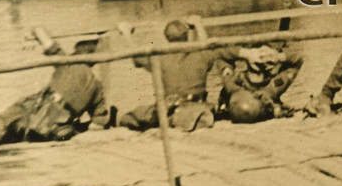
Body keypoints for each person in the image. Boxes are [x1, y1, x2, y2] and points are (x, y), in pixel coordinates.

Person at [120, 20, 284, 132]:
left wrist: (126, 32)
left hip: (169, 109)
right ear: (187, 35)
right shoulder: (201, 54)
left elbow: (135, 56)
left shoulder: (159, 58)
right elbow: (217, 48)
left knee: (129, 118)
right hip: (197, 107)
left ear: (166, 37)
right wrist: (198, 25)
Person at [0, 39, 111, 151]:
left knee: (4, 119)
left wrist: (35, 30)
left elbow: (44, 37)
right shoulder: (97, 87)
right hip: (54, 127)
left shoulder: (67, 63)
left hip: (35, 111)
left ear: (76, 54)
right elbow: (97, 125)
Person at [216, 41, 304, 121]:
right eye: (257, 53)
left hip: (263, 99)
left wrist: (278, 56)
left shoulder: (273, 85)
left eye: (264, 56)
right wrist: (245, 53)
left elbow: (298, 60)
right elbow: (219, 54)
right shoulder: (236, 81)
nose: (260, 58)